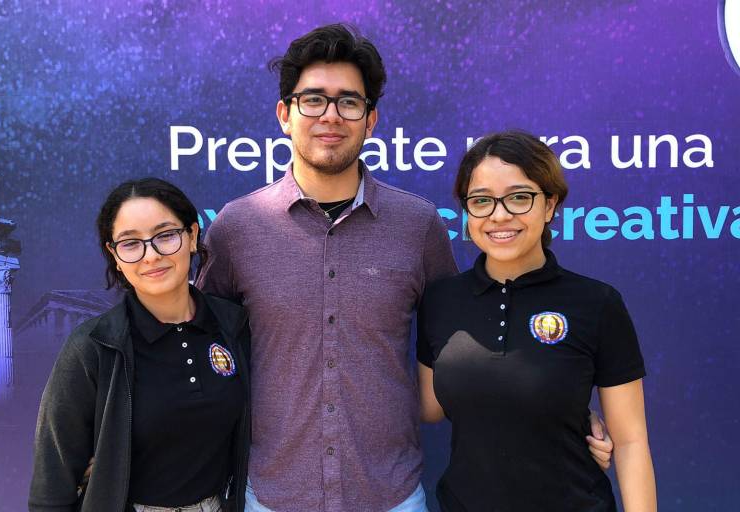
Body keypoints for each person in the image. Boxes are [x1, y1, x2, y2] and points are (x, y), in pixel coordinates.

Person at [198, 26, 613, 512]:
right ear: (285, 115)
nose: (330, 115)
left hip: (391, 496)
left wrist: (561, 408)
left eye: (348, 102)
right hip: (273, 495)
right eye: (313, 100)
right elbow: (199, 347)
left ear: (370, 119)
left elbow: (477, 333)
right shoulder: (237, 228)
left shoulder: (417, 226)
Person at [417, 131, 657, 511]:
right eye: (481, 200)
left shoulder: (597, 303)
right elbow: (429, 407)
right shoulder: (440, 300)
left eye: (519, 197)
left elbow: (630, 442)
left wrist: (565, 410)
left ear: (550, 204)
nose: (499, 215)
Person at [28, 178, 250, 512]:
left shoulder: (233, 326)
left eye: (165, 235)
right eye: (131, 243)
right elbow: (51, 486)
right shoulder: (93, 347)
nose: (152, 256)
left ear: (192, 236)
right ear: (114, 255)